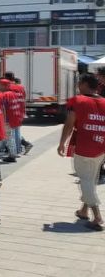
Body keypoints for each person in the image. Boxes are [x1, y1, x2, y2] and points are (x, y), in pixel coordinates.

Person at [58, 73, 105, 231]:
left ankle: (97, 217)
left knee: (85, 180)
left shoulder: (77, 100)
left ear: (85, 84)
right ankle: (84, 210)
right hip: (101, 147)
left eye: (79, 82)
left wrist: (62, 143)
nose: (78, 85)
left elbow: (69, 123)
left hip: (84, 146)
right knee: (91, 178)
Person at [5, 72, 33, 155]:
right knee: (16, 131)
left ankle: (15, 150)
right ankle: (21, 147)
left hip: (12, 111)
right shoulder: (21, 87)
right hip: (20, 111)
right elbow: (23, 99)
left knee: (11, 132)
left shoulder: (9, 87)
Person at [0, 78, 20, 163]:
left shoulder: (5, 95)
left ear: (4, 86)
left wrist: (3, 119)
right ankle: (10, 153)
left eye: (0, 85)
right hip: (12, 118)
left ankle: (12, 155)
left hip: (7, 119)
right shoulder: (13, 94)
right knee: (9, 137)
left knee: (9, 137)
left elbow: (3, 108)